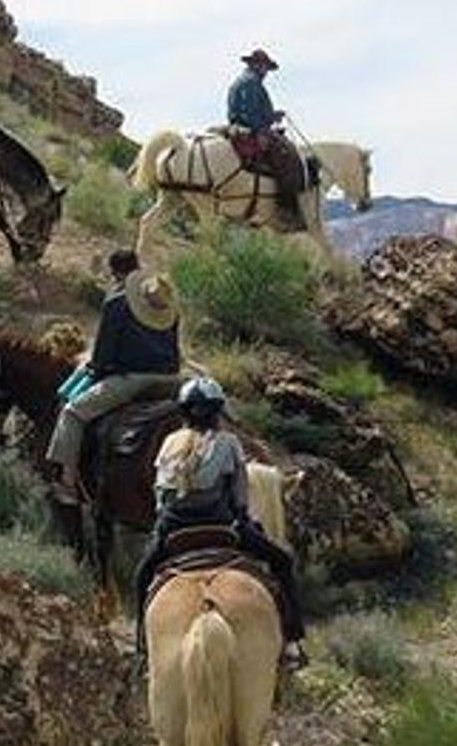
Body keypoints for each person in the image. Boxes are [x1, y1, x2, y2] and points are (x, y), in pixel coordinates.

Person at [132, 377, 308, 668]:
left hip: (172, 530)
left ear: (184, 412)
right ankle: (292, 641)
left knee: (142, 576)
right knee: (282, 562)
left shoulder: (168, 445)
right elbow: (239, 496)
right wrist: (242, 519)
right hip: (224, 527)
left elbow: (160, 498)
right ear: (217, 411)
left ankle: (143, 648)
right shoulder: (229, 443)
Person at [46, 269, 183, 502]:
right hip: (171, 380)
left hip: (132, 381)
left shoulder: (119, 306)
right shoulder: (172, 314)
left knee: (73, 413)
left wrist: (98, 370)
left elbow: (102, 358)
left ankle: (68, 484)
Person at [225, 47, 305, 231]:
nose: (266, 72)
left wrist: (271, 115)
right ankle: (286, 209)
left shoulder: (238, 83)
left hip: (237, 127)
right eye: (264, 67)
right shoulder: (253, 83)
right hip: (251, 130)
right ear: (256, 65)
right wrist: (270, 119)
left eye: (267, 68)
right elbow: (252, 114)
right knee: (288, 157)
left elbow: (238, 112)